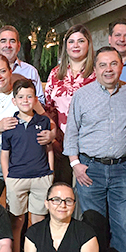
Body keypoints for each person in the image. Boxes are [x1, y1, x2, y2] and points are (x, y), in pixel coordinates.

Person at [64, 46, 126, 252]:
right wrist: (75, 164)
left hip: (123, 169)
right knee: (92, 222)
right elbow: (72, 131)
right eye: (103, 65)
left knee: (123, 222)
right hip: (90, 169)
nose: (108, 69)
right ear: (95, 69)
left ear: (121, 66)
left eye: (113, 64)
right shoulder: (82, 95)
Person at [0, 54, 54, 203]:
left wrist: (51, 135)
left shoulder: (23, 95)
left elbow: (48, 121)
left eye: (2, 71)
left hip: (21, 156)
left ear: (10, 71)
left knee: (19, 209)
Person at [1, 79, 54, 252]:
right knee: (16, 221)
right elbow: (5, 154)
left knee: (38, 223)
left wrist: (50, 173)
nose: (25, 100)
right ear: (14, 101)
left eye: (29, 96)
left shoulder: (43, 121)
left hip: (41, 178)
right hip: (17, 179)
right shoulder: (10, 125)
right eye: (21, 97)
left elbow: (49, 149)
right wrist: (7, 178)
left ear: (35, 99)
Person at [44, 24, 96, 186]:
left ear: (88, 44)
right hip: (59, 144)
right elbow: (48, 107)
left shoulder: (96, 74)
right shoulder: (55, 73)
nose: (76, 45)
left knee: (83, 192)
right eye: (71, 41)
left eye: (81, 41)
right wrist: (53, 138)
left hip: (87, 144)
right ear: (65, 46)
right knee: (61, 189)